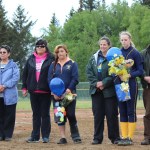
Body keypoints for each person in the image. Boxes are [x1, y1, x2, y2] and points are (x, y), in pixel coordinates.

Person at [86, 36, 120, 145]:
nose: (102, 46)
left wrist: (104, 83)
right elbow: (89, 73)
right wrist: (96, 83)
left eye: (104, 44)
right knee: (98, 115)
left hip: (109, 92)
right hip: (96, 92)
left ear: (109, 45)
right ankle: (97, 138)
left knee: (111, 115)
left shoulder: (114, 58)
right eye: (101, 44)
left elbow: (115, 74)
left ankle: (114, 138)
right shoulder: (94, 58)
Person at [22, 39, 55, 143]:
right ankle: (35, 136)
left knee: (45, 114)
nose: (40, 48)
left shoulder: (51, 59)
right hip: (33, 91)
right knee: (35, 114)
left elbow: (55, 73)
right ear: (35, 47)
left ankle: (45, 136)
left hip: (46, 91)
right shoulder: (30, 59)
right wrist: (24, 87)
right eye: (38, 46)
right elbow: (25, 74)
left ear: (46, 47)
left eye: (42, 46)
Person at [48, 44, 82, 144]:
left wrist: (69, 89)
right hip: (56, 95)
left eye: (62, 51)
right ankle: (63, 137)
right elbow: (49, 79)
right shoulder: (53, 64)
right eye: (58, 52)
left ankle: (75, 135)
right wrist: (54, 92)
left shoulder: (72, 64)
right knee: (60, 116)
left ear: (66, 52)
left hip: (69, 94)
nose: (60, 53)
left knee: (71, 114)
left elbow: (75, 78)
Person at [117, 31, 144, 146]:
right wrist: (117, 73)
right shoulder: (118, 53)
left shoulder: (135, 53)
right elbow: (114, 67)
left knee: (130, 110)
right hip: (120, 85)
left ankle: (130, 137)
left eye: (126, 39)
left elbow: (140, 70)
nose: (124, 42)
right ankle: (123, 136)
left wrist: (129, 75)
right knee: (122, 110)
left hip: (131, 84)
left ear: (130, 39)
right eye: (122, 40)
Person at [0, 45, 20, 141]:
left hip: (10, 94)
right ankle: (0, 134)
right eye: (1, 52)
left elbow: (15, 79)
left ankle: (8, 135)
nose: (2, 54)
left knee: (9, 115)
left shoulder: (14, 65)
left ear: (8, 54)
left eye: (4, 52)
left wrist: (4, 86)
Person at [140, 44, 150, 145]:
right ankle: (147, 137)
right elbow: (139, 69)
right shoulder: (143, 53)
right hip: (148, 87)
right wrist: (144, 76)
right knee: (148, 113)